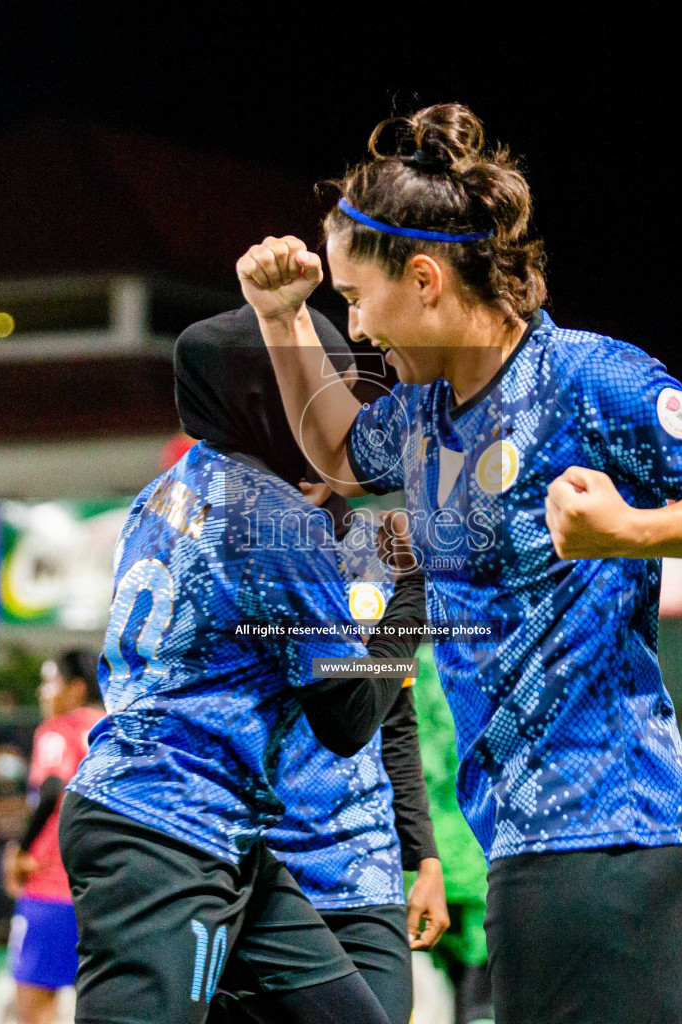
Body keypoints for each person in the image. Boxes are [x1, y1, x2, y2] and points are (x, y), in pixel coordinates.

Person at [237, 103, 682, 1023]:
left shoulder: (590, 377)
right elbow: (335, 450)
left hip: (619, 837)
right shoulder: (420, 417)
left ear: (422, 280)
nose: (357, 327)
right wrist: (279, 317)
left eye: (350, 297)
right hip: (517, 842)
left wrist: (629, 532)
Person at [60, 305, 429, 1024]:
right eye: (319, 388)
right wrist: (412, 593)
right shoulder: (276, 521)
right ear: (269, 397)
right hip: (166, 830)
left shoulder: (162, 492)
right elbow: (349, 718)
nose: (341, 416)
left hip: (212, 824)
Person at [212, 421, 450, 1024]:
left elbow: (391, 723)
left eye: (314, 440)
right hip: (260, 872)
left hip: (363, 873)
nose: (301, 461)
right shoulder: (235, 553)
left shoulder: (386, 557)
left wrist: (424, 858)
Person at [2, 650, 105, 1024]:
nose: (43, 692)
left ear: (76, 689)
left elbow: (50, 789)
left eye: (51, 682)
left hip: (51, 887)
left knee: (33, 1005)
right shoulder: (115, 728)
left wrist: (20, 849)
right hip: (103, 892)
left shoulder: (56, 730)